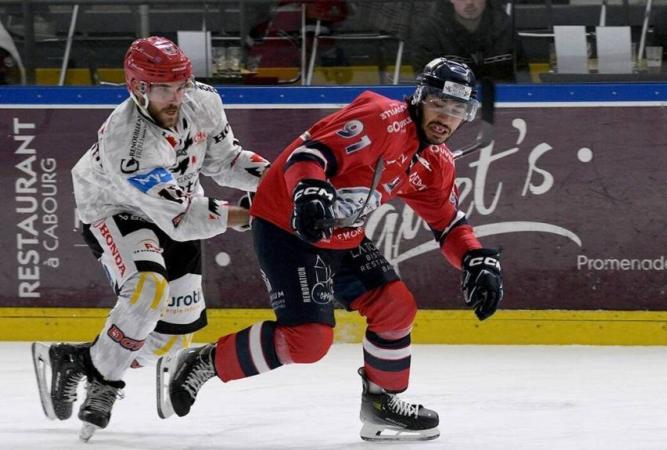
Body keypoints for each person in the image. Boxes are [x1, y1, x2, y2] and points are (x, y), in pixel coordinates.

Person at [156, 56, 504, 442]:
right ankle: (203, 362)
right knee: (308, 342)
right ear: (420, 97)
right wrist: (308, 190)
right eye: (439, 104)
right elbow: (311, 154)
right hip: (288, 227)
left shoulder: (435, 163)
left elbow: (448, 223)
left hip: (342, 235)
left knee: (396, 307)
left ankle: (380, 403)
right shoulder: (380, 116)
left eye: (457, 110)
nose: (446, 117)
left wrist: (474, 259)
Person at [30, 36, 269, 442]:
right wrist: (246, 215)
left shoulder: (203, 100)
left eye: (181, 85)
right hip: (114, 209)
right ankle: (105, 385)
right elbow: (179, 218)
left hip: (179, 202)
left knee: (169, 340)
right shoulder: (127, 140)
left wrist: (280, 182)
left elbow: (225, 159)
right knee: (146, 288)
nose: (176, 97)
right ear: (137, 87)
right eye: (163, 88)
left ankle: (78, 360)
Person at [411, 0, 522, 81]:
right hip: (448, 103)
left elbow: (522, 74)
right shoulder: (430, 31)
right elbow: (425, 78)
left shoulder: (505, 27)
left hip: (499, 101)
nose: (469, 2)